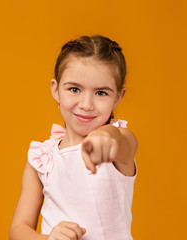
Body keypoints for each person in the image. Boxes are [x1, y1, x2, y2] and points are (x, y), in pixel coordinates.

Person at [10, 35, 138, 240]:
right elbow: (19, 229)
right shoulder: (42, 158)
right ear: (56, 90)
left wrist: (108, 136)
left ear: (118, 97)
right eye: (75, 89)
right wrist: (48, 239)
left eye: (101, 93)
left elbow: (126, 143)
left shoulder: (117, 145)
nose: (86, 104)